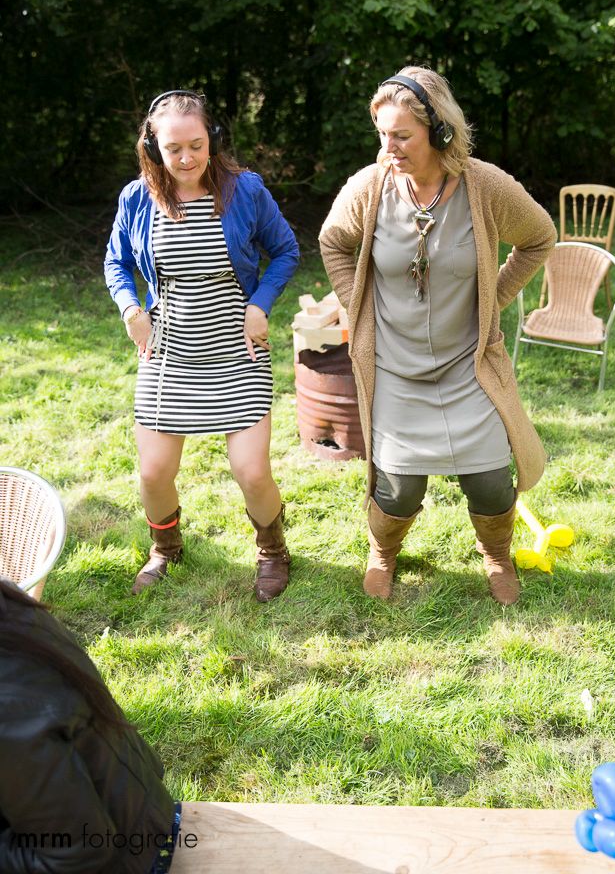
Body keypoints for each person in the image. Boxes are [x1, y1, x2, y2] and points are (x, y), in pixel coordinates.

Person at [319, 66, 556, 605]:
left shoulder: (485, 186)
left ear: (440, 130)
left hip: (468, 365)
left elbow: (539, 238)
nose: (389, 147)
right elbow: (333, 242)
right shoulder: (370, 187)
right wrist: (356, 307)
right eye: (382, 134)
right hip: (396, 367)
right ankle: (383, 553)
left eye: (402, 135)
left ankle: (497, 556)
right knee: (399, 489)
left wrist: (493, 299)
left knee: (491, 478)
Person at [105, 90, 299, 601]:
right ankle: (165, 549)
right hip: (169, 353)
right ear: (155, 147)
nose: (187, 158)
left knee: (252, 471)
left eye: (196, 145)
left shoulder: (244, 191)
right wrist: (131, 310)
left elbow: (285, 250)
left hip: (238, 350)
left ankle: (273, 551)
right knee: (153, 472)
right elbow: (116, 262)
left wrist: (260, 303)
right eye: (174, 148)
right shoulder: (138, 198)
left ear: (211, 139)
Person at [0, 578, 179, 873]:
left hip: (130, 856)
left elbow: (77, 855)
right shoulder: (9, 604)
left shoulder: (8, 713)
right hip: (141, 809)